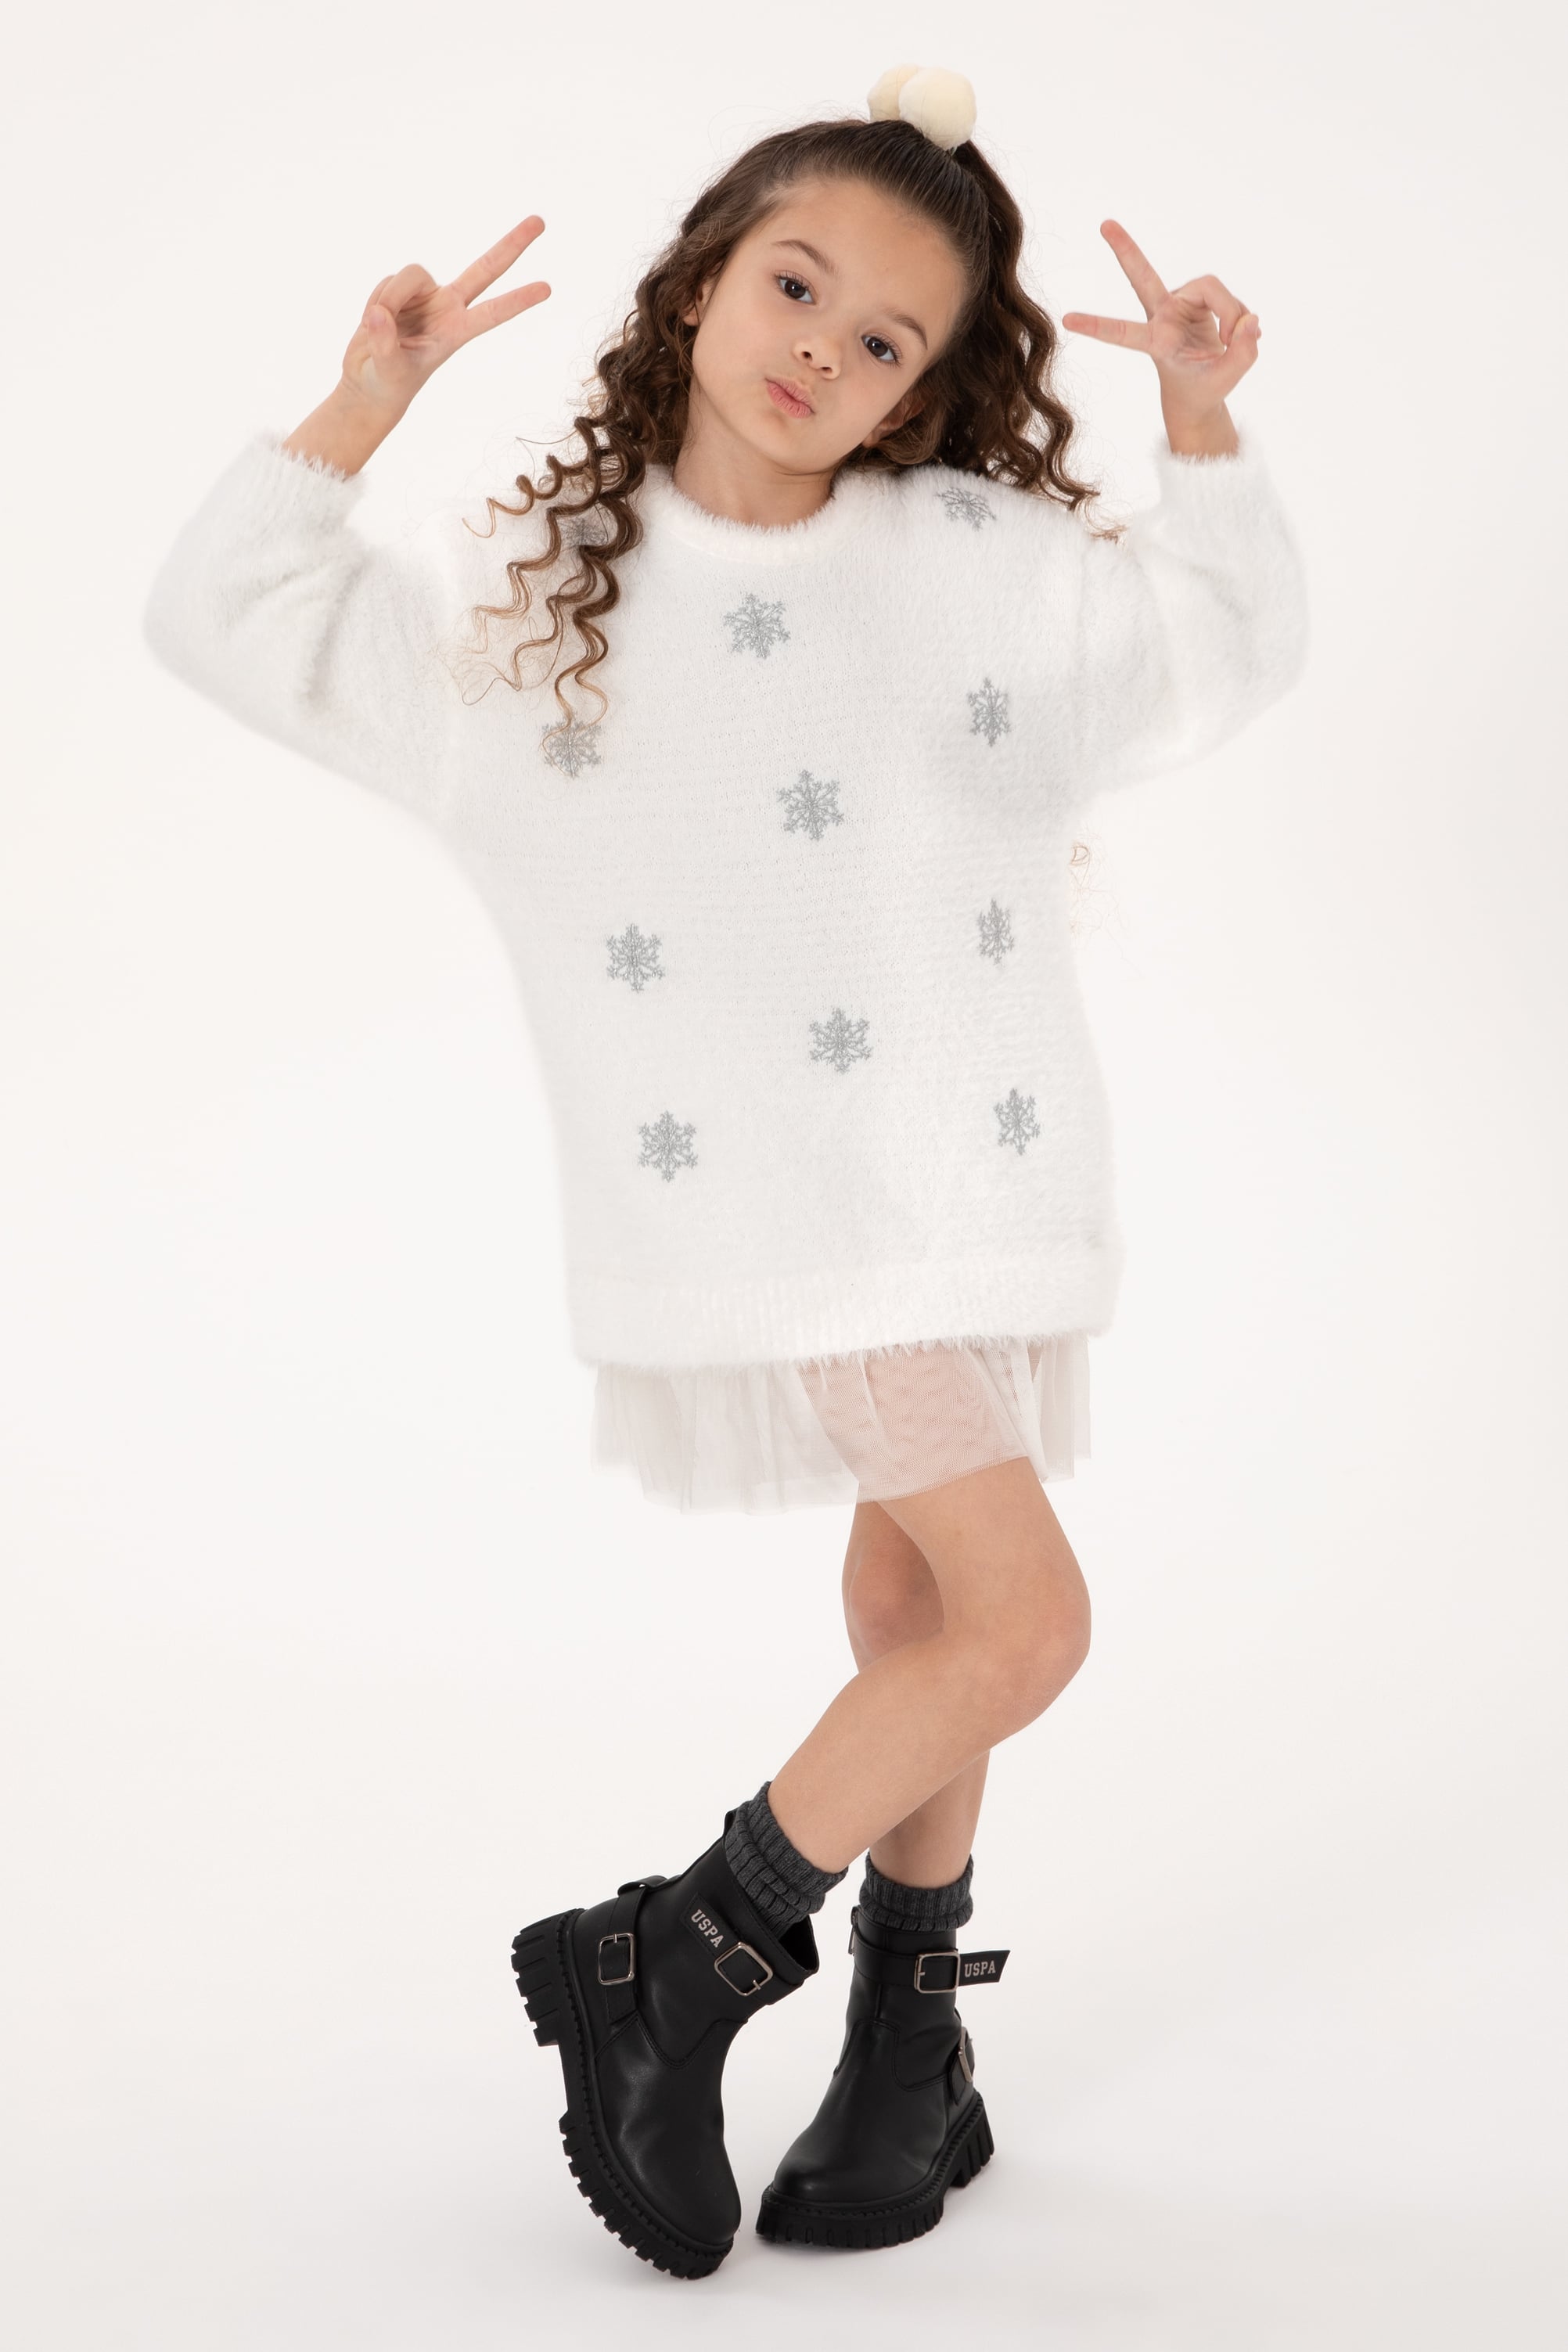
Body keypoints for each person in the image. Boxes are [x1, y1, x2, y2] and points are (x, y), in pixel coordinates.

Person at [142, 60, 1308, 2280]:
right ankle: (676, 1956)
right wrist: (363, 399)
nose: (819, 348)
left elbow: (1211, 652)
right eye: (793, 283)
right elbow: (225, 616)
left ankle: (908, 2052)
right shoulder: (532, 601)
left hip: (977, 1180)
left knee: (917, 1617)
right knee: (1026, 1622)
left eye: (883, 338)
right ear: (698, 282)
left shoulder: (966, 567)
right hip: (791, 1222)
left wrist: (1201, 424)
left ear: (920, 393)